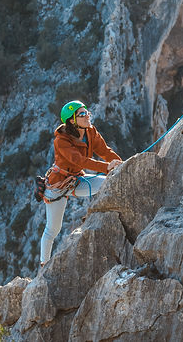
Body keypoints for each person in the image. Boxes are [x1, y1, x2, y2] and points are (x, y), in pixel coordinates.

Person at [39, 100, 122, 266]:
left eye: (87, 112)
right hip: (58, 186)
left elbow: (105, 151)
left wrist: (121, 165)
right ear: (72, 120)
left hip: (76, 180)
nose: (87, 116)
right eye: (82, 114)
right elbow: (79, 161)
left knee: (110, 183)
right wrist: (107, 167)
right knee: (53, 229)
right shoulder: (61, 141)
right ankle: (44, 265)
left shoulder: (90, 132)